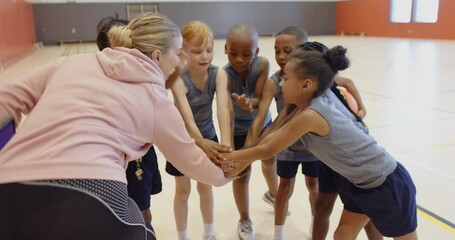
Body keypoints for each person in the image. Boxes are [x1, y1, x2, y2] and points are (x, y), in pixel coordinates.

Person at [0, 13, 233, 240]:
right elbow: (189, 159)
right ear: (157, 56)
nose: (180, 62)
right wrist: (223, 176)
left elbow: (7, 98)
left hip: (9, 182)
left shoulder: (70, 63)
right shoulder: (154, 98)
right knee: (143, 229)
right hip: (90, 190)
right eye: (177, 53)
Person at [225, 46, 418, 240]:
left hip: (385, 183)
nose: (281, 84)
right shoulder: (305, 108)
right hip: (363, 184)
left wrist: (228, 157)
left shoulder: (312, 114)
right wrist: (239, 163)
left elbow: (268, 150)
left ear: (306, 85)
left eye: (286, 79)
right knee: (343, 235)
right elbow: (273, 137)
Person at [297, 41, 382, 240]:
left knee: (364, 215)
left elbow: (348, 83)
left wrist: (361, 108)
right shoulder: (310, 93)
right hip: (329, 160)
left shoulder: (327, 96)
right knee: (322, 206)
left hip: (349, 164)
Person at [166, 20, 232, 240]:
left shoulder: (218, 74)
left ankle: (209, 233)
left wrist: (225, 145)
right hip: (182, 141)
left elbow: (223, 111)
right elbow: (187, 120)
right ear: (182, 51)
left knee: (206, 189)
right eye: (197, 51)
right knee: (183, 191)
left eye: (209, 50)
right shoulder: (177, 79)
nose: (204, 56)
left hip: (208, 137)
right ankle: (182, 235)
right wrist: (201, 144)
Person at [96, 13, 163, 227]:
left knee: (143, 211)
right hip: (116, 161)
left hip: (139, 160)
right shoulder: (98, 82)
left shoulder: (146, 81)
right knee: (123, 213)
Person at [224, 23, 274, 240]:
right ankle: (244, 219)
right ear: (225, 48)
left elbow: (262, 98)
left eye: (246, 54)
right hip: (238, 129)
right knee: (241, 175)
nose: (239, 60)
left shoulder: (262, 64)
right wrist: (232, 148)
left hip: (263, 125)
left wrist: (249, 103)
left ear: (257, 51)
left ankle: (273, 194)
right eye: (233, 54)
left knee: (270, 163)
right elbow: (227, 114)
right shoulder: (223, 75)